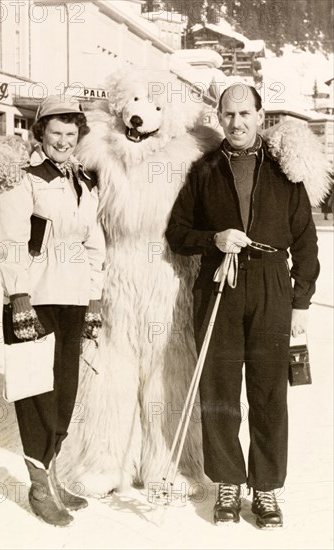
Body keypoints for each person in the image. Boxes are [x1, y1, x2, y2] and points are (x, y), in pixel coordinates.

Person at [166, 83, 319, 529]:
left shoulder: (284, 170)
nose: (236, 123)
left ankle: (267, 489)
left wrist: (301, 300)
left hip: (272, 282)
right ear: (220, 117)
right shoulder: (204, 170)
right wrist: (212, 238)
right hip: (219, 284)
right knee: (219, 390)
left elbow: (306, 240)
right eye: (228, 115)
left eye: (244, 114)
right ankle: (228, 482)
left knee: (269, 392)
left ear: (259, 114)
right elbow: (177, 233)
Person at [0, 95, 105, 526]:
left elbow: (95, 244)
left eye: (70, 134)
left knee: (63, 392)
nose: (63, 140)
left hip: (73, 298)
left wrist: (95, 295)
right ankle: (39, 486)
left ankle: (54, 475)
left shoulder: (83, 182)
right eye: (55, 133)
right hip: (35, 299)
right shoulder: (22, 179)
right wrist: (18, 296)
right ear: (40, 134)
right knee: (35, 393)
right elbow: (10, 241)